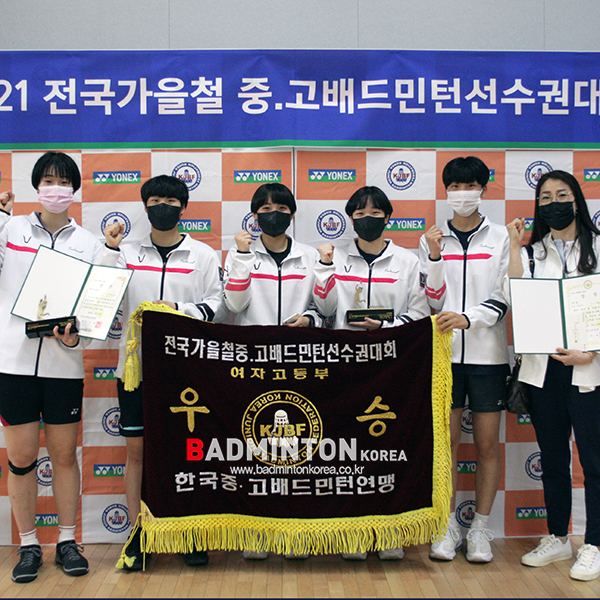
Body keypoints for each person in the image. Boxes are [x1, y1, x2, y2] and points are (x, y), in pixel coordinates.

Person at [0, 152, 115, 583]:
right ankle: (28, 544)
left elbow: (96, 306)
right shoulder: (11, 228)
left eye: (63, 181)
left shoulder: (87, 243)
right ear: (36, 186)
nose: (55, 188)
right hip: (12, 362)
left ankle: (68, 540)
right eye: (48, 180)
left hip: (63, 365)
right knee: (21, 458)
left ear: (74, 189)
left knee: (65, 456)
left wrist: (76, 338)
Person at [104, 175, 224, 571]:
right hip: (136, 370)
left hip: (186, 371)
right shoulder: (127, 253)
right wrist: (110, 249)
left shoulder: (202, 254)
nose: (163, 207)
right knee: (137, 452)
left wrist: (176, 311)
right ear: (145, 206)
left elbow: (218, 304)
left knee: (186, 451)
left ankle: (187, 531)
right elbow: (102, 296)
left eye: (171, 201)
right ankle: (139, 534)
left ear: (183, 207)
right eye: (155, 200)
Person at [313, 185, 429, 560]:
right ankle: (353, 530)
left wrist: (387, 326)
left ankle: (389, 529)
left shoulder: (408, 261)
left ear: (388, 217)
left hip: (392, 364)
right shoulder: (336, 257)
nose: (367, 220)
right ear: (350, 219)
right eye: (360, 214)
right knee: (348, 450)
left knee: (388, 448)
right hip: (345, 365)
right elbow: (325, 309)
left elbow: (419, 314)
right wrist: (325, 267)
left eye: (376, 213)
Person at [507, 170, 600, 582]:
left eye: (562, 195)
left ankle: (594, 543)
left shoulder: (597, 247)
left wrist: (591, 352)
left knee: (593, 460)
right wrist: (515, 247)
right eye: (545, 198)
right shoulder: (533, 253)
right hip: (543, 371)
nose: (554, 203)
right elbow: (515, 296)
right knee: (553, 457)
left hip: (588, 369)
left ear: (577, 200)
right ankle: (559, 536)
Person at [223, 182, 322, 559]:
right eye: (264, 209)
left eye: (280, 208)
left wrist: (309, 319)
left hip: (300, 363)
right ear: (254, 216)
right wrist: (242, 256)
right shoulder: (240, 253)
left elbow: (325, 309)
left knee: (299, 448)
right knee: (255, 448)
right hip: (253, 363)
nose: (273, 214)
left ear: (292, 214)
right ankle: (257, 529)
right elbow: (234, 304)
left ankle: (295, 529)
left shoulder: (310, 255)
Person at [418, 156, 510, 563]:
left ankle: (481, 530)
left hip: (489, 356)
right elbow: (432, 299)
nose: (462, 193)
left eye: (470, 185)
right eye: (454, 186)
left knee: (487, 444)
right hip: (445, 356)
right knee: (447, 444)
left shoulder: (500, 237)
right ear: (446, 191)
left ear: (483, 189)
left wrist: (470, 318)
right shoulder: (431, 239)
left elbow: (506, 295)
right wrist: (436, 255)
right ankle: (447, 525)